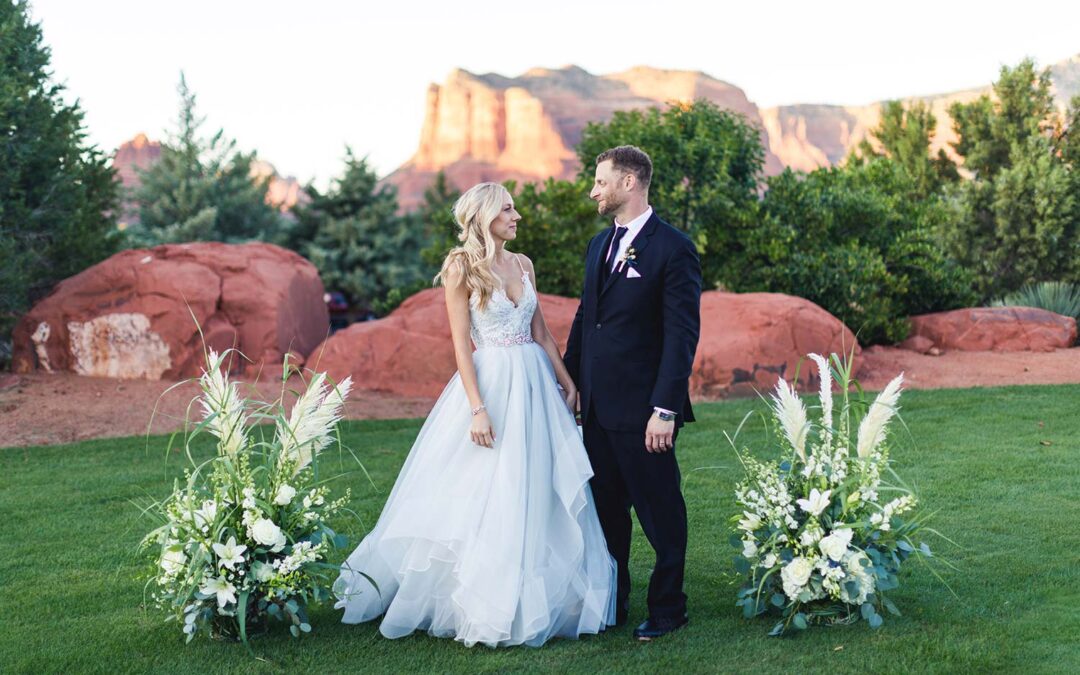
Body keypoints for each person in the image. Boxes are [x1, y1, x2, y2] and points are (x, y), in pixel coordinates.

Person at [333, 182, 616, 647]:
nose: (517, 215)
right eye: (508, 209)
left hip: (534, 384)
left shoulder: (523, 264)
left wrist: (567, 382)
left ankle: (538, 591)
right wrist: (477, 408)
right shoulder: (461, 267)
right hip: (492, 383)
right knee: (490, 485)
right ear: (484, 216)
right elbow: (462, 344)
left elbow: (541, 333)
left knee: (536, 482)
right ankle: (481, 597)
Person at [563, 145, 702, 641]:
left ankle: (668, 608)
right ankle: (612, 603)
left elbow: (682, 335)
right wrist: (571, 383)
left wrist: (665, 408)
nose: (593, 191)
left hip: (646, 411)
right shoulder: (598, 246)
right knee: (607, 515)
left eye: (600, 182)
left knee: (660, 511)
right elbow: (587, 318)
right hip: (597, 409)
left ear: (628, 183)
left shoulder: (674, 248)